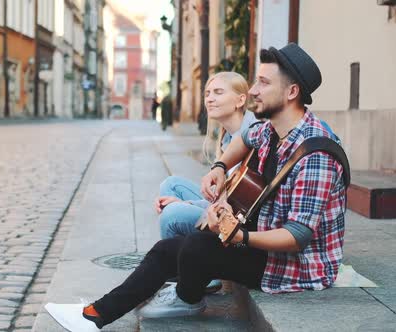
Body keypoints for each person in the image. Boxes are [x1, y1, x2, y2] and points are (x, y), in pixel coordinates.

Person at [45, 43, 347, 332]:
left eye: (263, 83)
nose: (253, 89)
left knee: (196, 246)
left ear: (292, 92)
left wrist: (239, 234)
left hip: (297, 265)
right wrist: (219, 168)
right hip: (265, 232)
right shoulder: (271, 129)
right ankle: (94, 315)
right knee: (167, 249)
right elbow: (245, 139)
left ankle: (187, 299)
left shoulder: (315, 154)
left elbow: (297, 236)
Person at [155, 71, 257, 293]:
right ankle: (188, 263)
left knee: (171, 215)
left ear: (241, 100)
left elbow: (237, 203)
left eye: (218, 92)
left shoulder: (253, 134)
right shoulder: (228, 135)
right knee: (170, 185)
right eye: (207, 93)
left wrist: (186, 206)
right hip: (226, 204)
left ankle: (191, 277)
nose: (209, 98)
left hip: (238, 218)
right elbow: (225, 193)